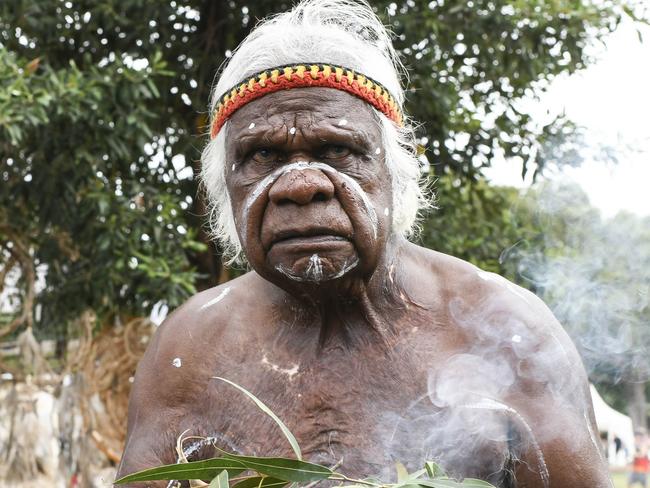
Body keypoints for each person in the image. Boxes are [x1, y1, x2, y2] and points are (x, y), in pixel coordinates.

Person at [116, 1, 611, 486]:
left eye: (338, 150)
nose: (298, 185)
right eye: (263, 155)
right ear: (224, 186)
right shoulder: (189, 351)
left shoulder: (509, 334)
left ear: (395, 173)